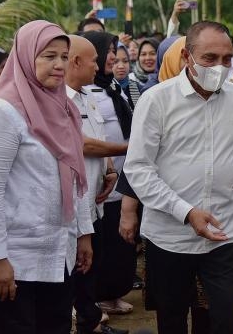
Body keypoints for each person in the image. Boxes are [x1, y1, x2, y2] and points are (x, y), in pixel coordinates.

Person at [124, 21, 233, 334]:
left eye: (226, 58)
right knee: (172, 318)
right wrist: (186, 212)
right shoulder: (157, 100)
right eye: (209, 58)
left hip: (226, 231)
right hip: (170, 236)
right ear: (186, 56)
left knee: (227, 318)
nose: (219, 66)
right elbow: (138, 168)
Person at [0, 20, 93, 334]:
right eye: (48, 56)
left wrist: (83, 232)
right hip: (11, 257)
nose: (59, 64)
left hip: (56, 252)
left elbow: (75, 174)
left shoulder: (64, 108)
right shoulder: (3, 112)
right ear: (25, 57)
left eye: (63, 56)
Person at [66, 35, 128, 334]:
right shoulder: (57, 99)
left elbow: (98, 137)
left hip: (95, 198)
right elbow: (82, 145)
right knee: (78, 268)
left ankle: (92, 321)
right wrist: (131, 147)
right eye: (95, 60)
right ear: (76, 61)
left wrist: (111, 170)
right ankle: (85, 323)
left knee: (91, 265)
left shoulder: (89, 94)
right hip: (74, 202)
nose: (102, 65)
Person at [80, 31, 135, 316]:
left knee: (119, 243)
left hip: (119, 176)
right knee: (104, 244)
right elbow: (87, 138)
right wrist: (128, 147)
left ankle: (113, 294)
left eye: (115, 50)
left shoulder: (113, 86)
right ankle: (99, 298)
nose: (113, 56)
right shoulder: (85, 91)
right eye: (109, 51)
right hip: (99, 181)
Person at [114, 42, 141, 110]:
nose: (121, 66)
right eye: (115, 61)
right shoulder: (103, 90)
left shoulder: (138, 87)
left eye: (125, 61)